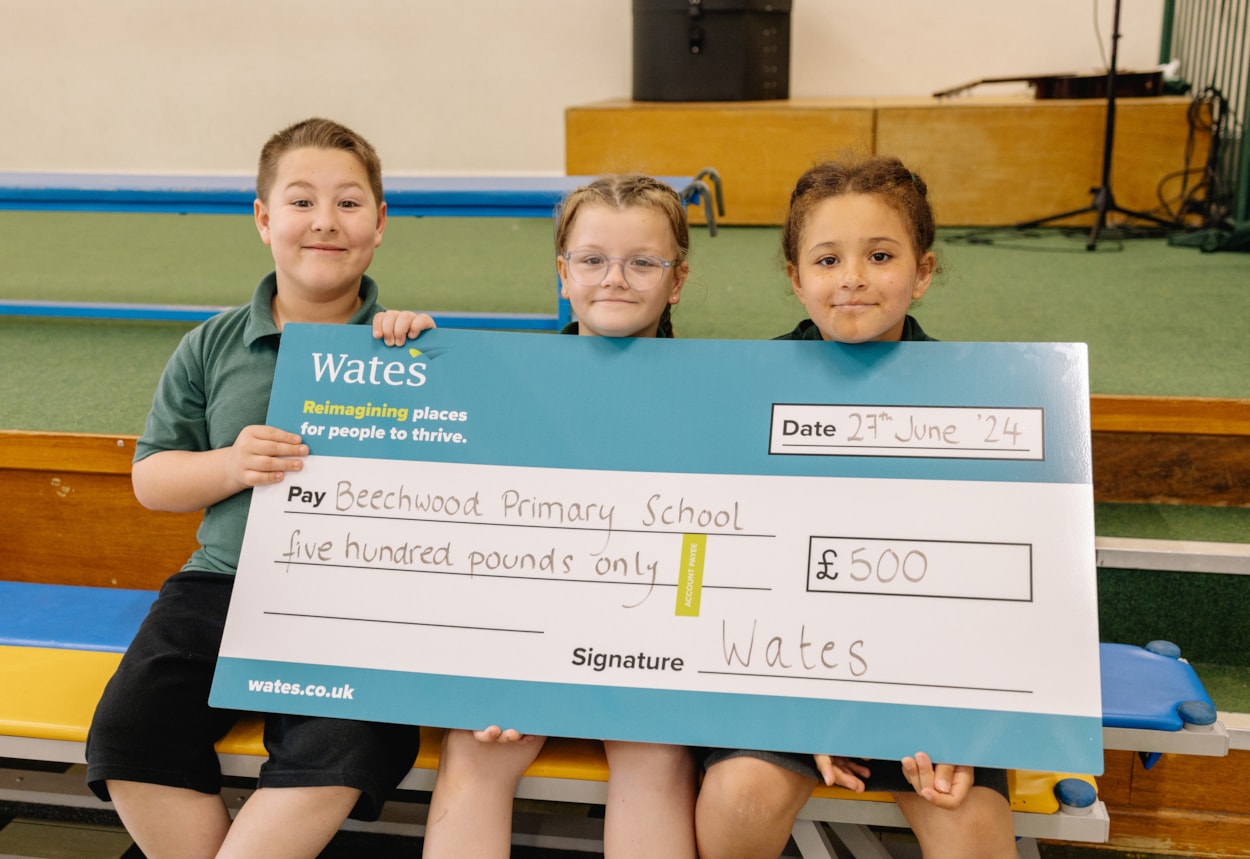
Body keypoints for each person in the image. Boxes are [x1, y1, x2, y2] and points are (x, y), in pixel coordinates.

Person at [85, 117, 434, 859]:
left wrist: (431, 358)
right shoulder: (210, 345)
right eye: (302, 201)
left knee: (346, 736)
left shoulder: (415, 348)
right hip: (219, 587)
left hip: (358, 603)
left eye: (349, 203)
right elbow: (151, 477)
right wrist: (229, 464)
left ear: (379, 225)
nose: (325, 222)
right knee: (130, 726)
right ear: (264, 219)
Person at [693, 156, 1017, 859]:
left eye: (879, 255)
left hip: (934, 679)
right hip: (779, 671)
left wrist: (963, 725)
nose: (853, 278)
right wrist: (808, 709)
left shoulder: (980, 404)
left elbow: (995, 588)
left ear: (923, 271)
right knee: (736, 803)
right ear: (795, 277)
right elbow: (726, 569)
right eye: (828, 258)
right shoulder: (744, 391)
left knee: (972, 833)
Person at [422, 174, 696, 859]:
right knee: (476, 747)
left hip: (655, 643)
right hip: (526, 634)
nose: (616, 279)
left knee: (654, 755)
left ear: (678, 279)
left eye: (643, 262)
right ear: (563, 274)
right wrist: (404, 345)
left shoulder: (717, 393)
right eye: (592, 259)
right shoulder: (505, 381)